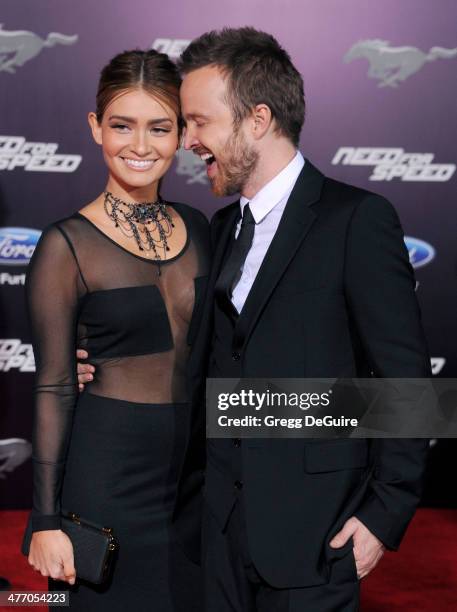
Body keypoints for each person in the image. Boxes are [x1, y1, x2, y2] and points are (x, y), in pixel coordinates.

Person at [78, 28, 431, 612]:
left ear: (258, 119)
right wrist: (97, 361)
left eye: (199, 122)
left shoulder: (357, 220)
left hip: (315, 539)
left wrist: (383, 515)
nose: (187, 141)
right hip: (213, 536)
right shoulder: (216, 232)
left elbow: (406, 382)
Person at [25, 49, 210, 611]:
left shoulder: (202, 227)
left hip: (197, 480)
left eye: (159, 127)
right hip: (107, 477)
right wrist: (46, 519)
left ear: (180, 134)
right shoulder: (65, 246)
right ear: (94, 127)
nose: (140, 145)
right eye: (121, 125)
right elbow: (55, 386)